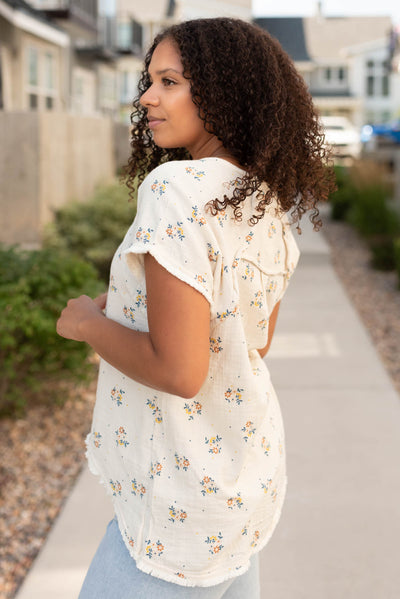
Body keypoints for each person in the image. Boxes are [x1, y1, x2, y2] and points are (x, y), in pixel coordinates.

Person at [56, 17, 335, 599]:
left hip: (175, 508)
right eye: (149, 80)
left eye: (169, 81)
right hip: (238, 490)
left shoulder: (175, 189)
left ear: (224, 89)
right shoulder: (262, 200)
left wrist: (87, 322)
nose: (147, 97)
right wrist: (137, 310)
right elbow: (250, 340)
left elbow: (179, 372)